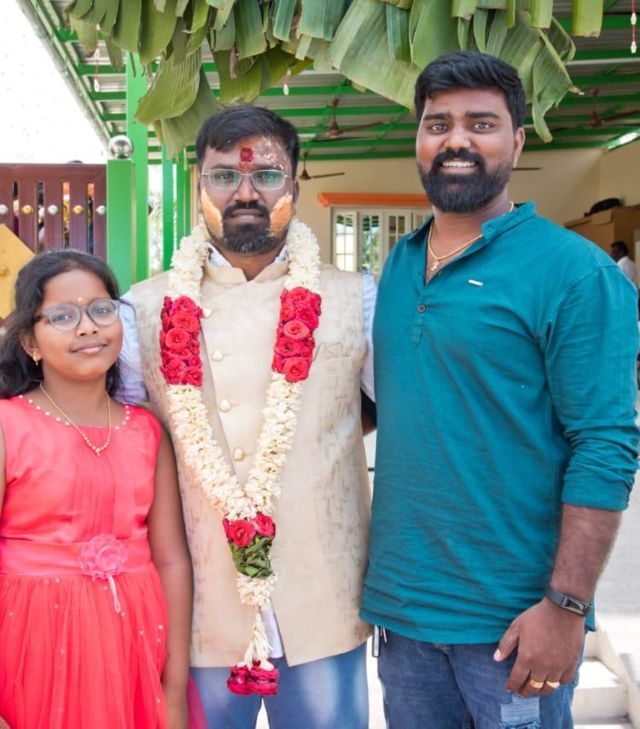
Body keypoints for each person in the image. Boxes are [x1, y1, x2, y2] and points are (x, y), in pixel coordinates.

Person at [361, 50, 639, 729]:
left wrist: (567, 606)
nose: (456, 140)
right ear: (418, 140)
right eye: (438, 124)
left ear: (517, 141)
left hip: (515, 625)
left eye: (481, 124)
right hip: (404, 618)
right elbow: (382, 404)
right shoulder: (399, 265)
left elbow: (605, 446)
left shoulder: (574, 272)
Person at [118, 105, 374, 729]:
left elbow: (386, 414)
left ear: (296, 183)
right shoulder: (141, 310)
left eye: (266, 175)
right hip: (200, 603)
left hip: (323, 597)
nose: (245, 193)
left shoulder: (357, 297)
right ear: (199, 185)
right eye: (224, 176)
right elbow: (125, 447)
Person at [0, 251, 197, 729]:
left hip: (133, 639)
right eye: (62, 316)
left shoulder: (146, 431)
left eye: (101, 309)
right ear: (30, 341)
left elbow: (171, 559)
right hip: (30, 642)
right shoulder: (8, 425)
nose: (88, 328)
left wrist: (173, 688)